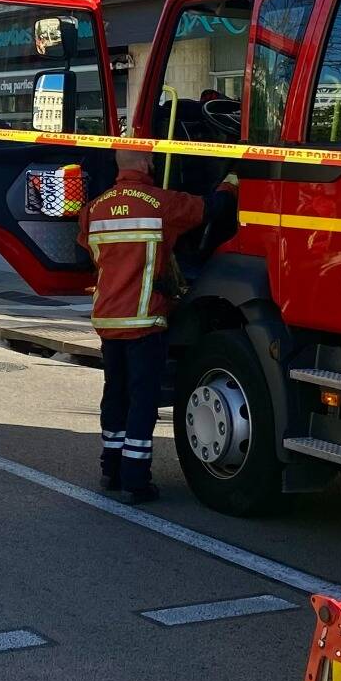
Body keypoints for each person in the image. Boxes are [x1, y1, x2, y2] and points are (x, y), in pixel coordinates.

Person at [76, 149, 236, 504]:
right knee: (142, 400)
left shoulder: (94, 209)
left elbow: (89, 252)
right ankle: (136, 480)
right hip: (144, 321)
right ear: (145, 164)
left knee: (115, 395)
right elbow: (210, 209)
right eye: (149, 159)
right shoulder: (160, 203)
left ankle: (111, 469)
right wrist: (231, 181)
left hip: (108, 319)